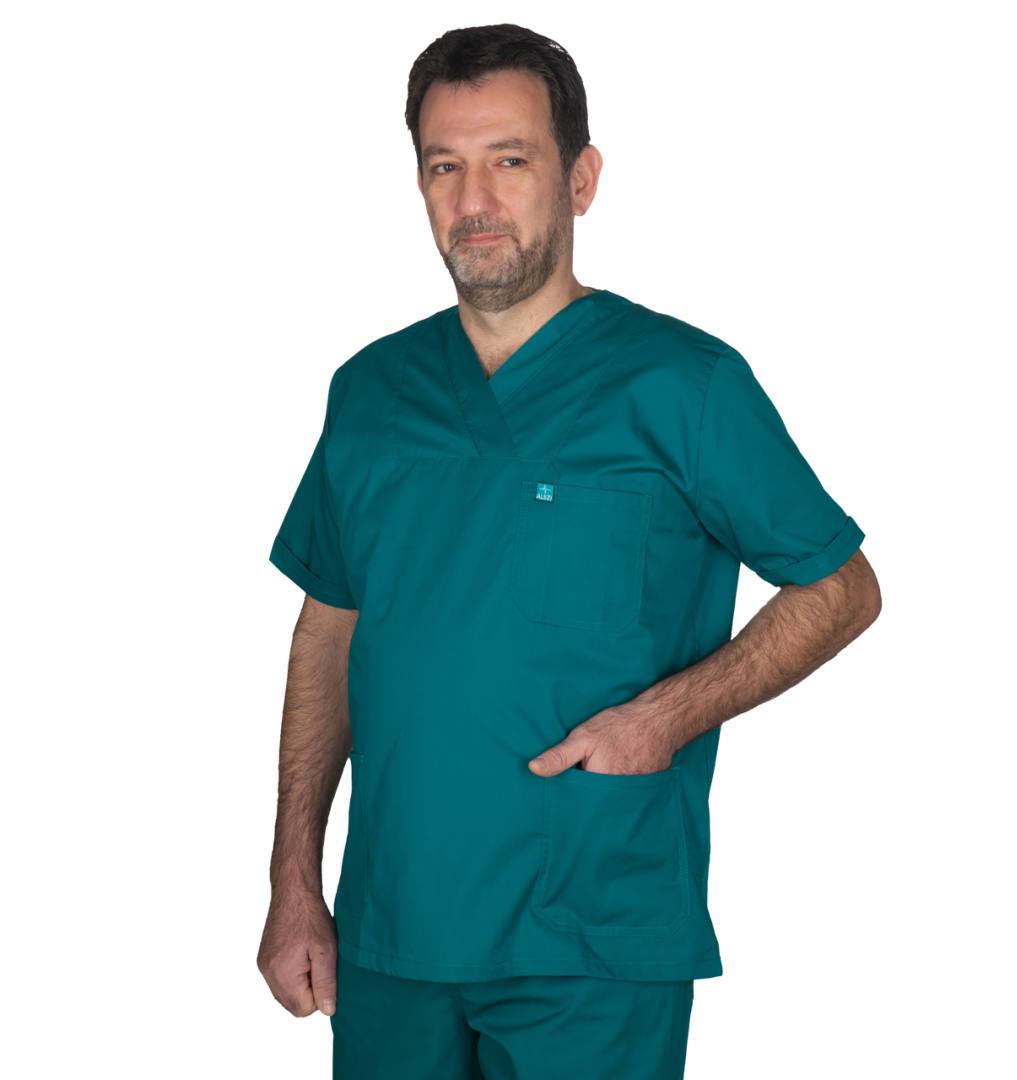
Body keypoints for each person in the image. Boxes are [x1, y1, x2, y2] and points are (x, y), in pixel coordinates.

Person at [257, 22, 882, 1080]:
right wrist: (293, 882)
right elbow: (329, 630)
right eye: (444, 166)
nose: (474, 200)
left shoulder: (682, 384)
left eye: (510, 160)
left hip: (592, 936)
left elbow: (842, 586)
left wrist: (668, 715)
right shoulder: (369, 393)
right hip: (392, 933)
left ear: (580, 179)